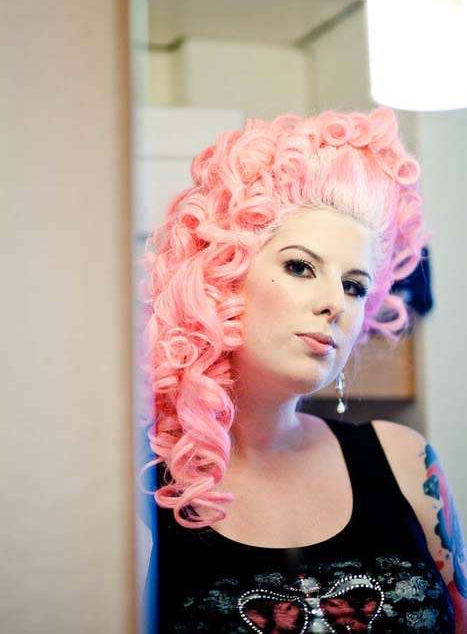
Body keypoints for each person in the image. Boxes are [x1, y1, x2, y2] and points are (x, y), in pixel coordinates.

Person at [137, 106, 467, 633]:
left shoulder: (406, 462)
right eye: (300, 267)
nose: (335, 302)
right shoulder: (136, 482)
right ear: (224, 276)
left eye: (354, 286)